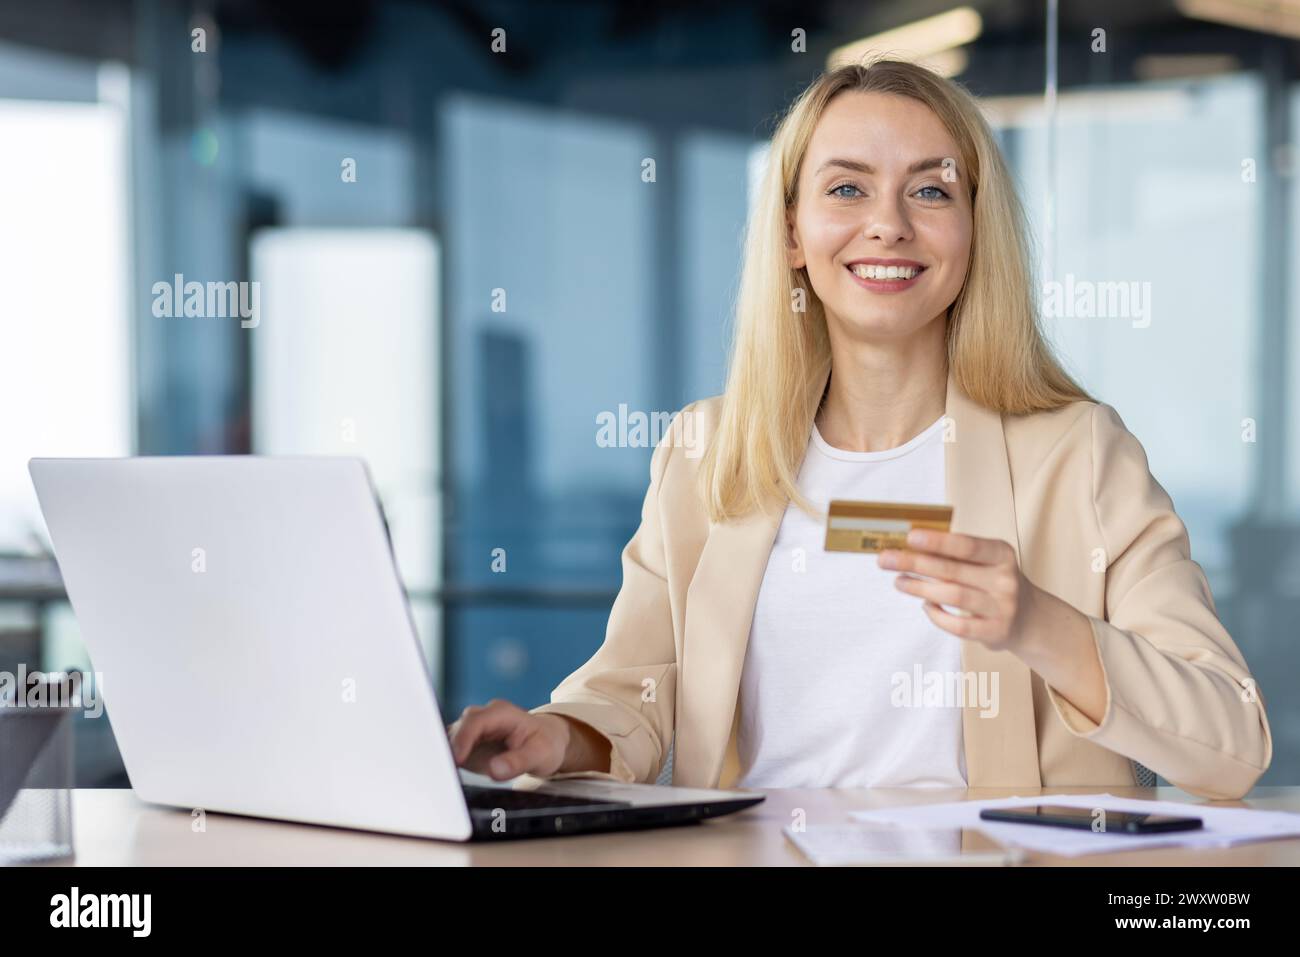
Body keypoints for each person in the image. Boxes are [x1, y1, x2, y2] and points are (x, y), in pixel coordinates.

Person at [448, 57, 1272, 800]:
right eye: (846, 188)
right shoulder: (708, 452)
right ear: (793, 233)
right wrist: (559, 736)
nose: (889, 224)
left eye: (931, 189)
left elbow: (1231, 744)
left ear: (975, 231)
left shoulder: (1079, 452)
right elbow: (633, 689)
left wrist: (1037, 623)